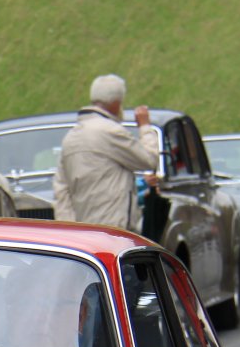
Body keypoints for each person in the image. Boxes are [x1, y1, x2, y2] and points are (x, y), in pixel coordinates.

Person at [52, 74, 160, 233]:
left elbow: (61, 188)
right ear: (116, 103)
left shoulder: (71, 137)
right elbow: (149, 159)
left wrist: (69, 229)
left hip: (83, 231)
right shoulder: (111, 131)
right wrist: (145, 127)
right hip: (114, 229)